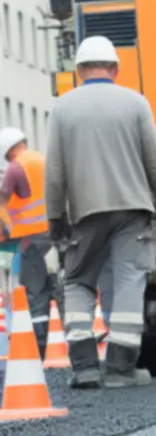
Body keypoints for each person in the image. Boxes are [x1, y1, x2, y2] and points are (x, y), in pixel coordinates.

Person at [45, 35, 156, 389]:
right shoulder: (136, 103)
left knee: (78, 280)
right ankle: (121, 368)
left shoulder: (62, 107)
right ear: (115, 69)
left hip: (84, 211)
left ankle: (85, 367)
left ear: (78, 71)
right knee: (130, 278)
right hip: (132, 209)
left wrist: (55, 217)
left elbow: (54, 171)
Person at [0, 127, 60, 354]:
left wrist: (4, 231)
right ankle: (59, 336)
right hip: (53, 233)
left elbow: (2, 203)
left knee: (34, 291)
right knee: (53, 285)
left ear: (8, 152)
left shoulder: (15, 169)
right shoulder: (44, 160)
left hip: (29, 238)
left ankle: (40, 342)